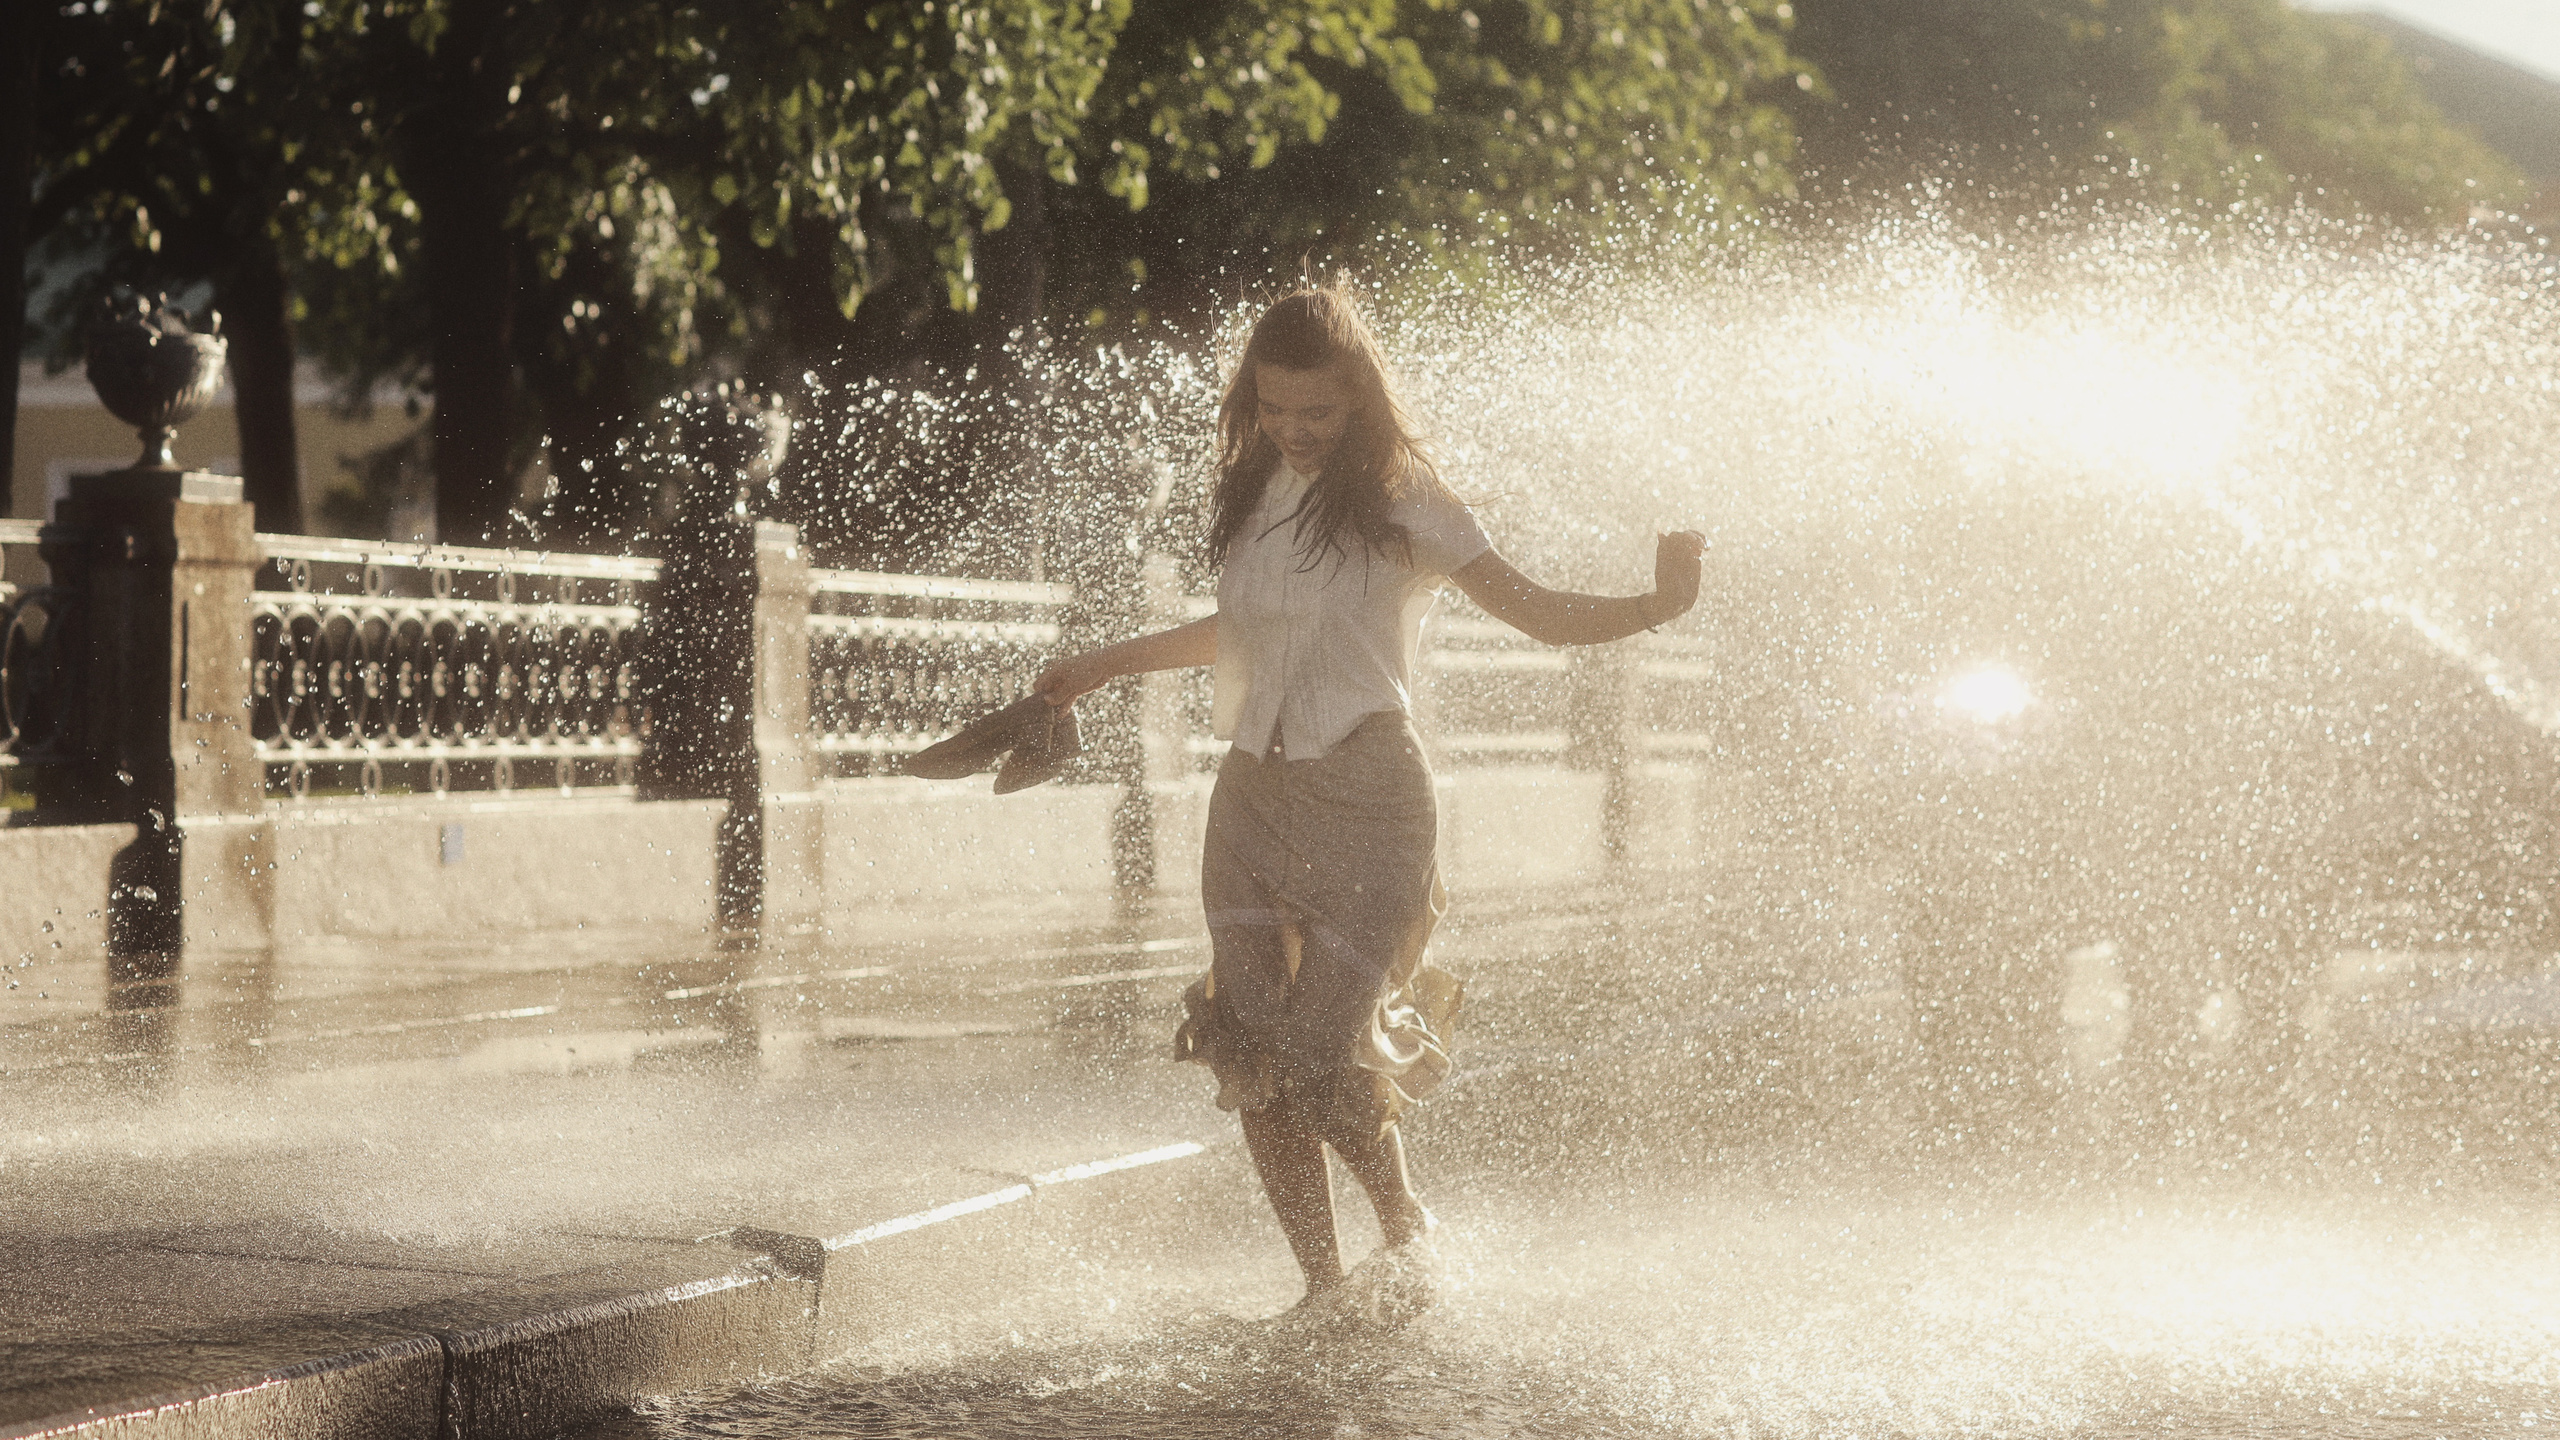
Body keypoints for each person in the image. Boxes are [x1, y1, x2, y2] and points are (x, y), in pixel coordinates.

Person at [1033, 281, 1705, 1323]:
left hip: (1371, 801)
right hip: (1251, 797)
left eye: (1318, 412)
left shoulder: (1411, 504)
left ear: (1361, 403)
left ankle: (1405, 1226)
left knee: (1315, 1052)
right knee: (1252, 1048)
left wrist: (1654, 605)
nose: (1293, 431)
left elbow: (1537, 613)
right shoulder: (1253, 495)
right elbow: (1243, 632)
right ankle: (1320, 1287)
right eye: (1273, 408)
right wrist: (1101, 665)